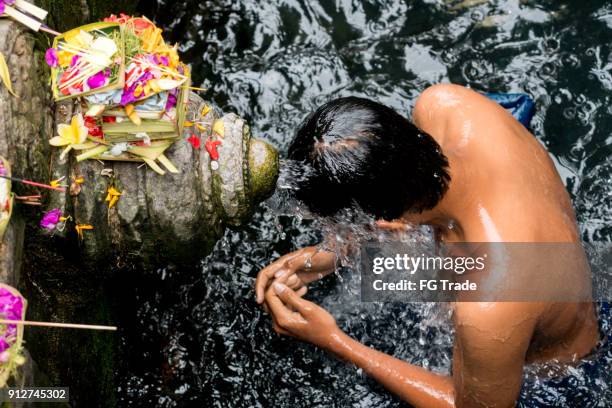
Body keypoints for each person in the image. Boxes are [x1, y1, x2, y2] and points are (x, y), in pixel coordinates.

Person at [254, 84, 600, 407]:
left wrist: (335, 341)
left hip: (557, 373)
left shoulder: (490, 304)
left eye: (338, 225)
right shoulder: (447, 106)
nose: (336, 231)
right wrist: (337, 252)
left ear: (380, 213)